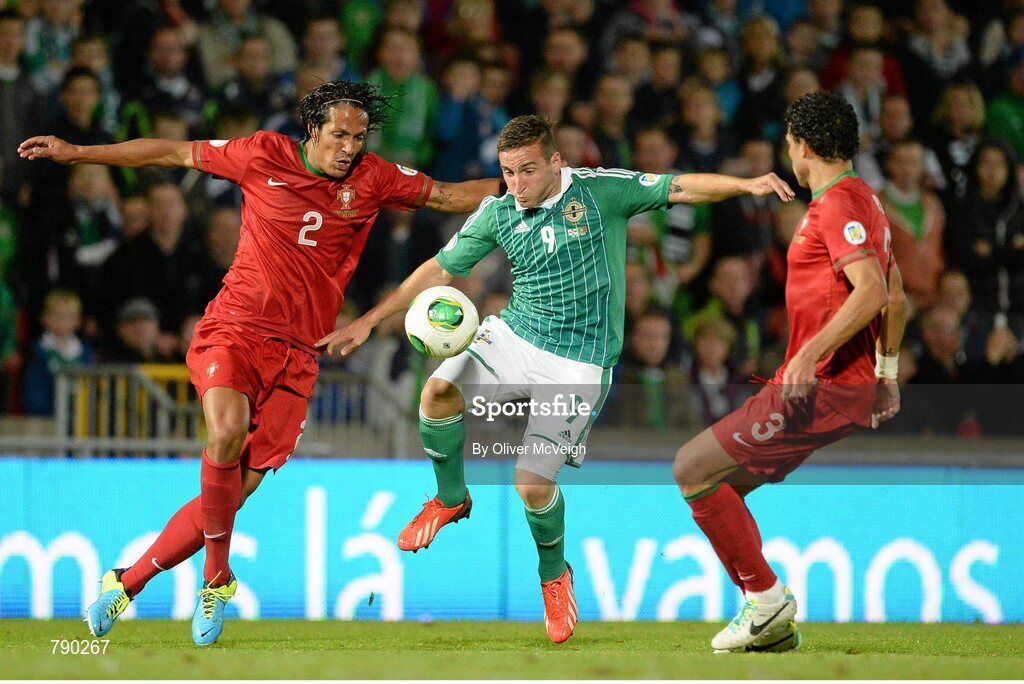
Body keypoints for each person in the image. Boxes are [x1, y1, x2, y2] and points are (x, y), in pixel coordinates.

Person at [19, 80, 502, 646]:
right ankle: (216, 580)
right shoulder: (261, 154)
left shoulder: (374, 178)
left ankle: (127, 582)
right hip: (236, 329)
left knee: (227, 496)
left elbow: (448, 195)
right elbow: (172, 153)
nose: (349, 147)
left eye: (359, 136)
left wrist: (528, 185)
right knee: (223, 432)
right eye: (339, 135)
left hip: (300, 354)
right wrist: (79, 152)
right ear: (313, 131)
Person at [317, 114, 794, 644]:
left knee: (531, 484)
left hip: (580, 362)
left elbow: (679, 187)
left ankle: (554, 577)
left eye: (526, 171)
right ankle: (450, 497)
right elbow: (438, 269)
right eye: (507, 172)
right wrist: (366, 322)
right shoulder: (498, 213)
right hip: (515, 336)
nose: (516, 184)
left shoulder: (600, 193)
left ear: (555, 162)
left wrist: (746, 185)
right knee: (437, 392)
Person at [671, 91, 907, 653]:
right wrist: (886, 372)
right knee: (718, 487)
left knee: (693, 468)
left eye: (788, 143)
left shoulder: (837, 206)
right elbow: (896, 297)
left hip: (814, 385)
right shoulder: (866, 202)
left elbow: (873, 292)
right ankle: (768, 621)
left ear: (801, 146)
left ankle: (767, 600)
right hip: (834, 386)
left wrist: (807, 354)